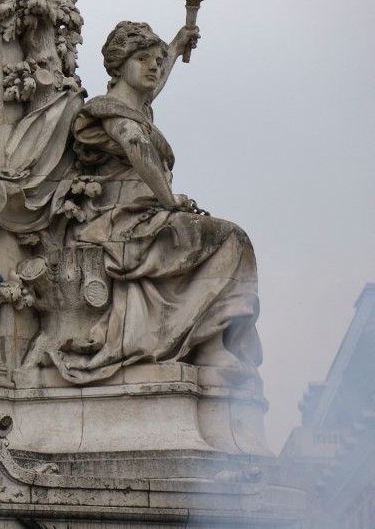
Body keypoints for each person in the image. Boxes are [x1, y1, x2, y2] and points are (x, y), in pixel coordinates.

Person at [50, 20, 261, 383]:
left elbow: (150, 92)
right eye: (143, 59)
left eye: (157, 61)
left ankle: (211, 343)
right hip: (117, 220)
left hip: (145, 215)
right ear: (119, 66)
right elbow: (135, 145)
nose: (154, 67)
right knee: (230, 239)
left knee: (229, 240)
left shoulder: (137, 109)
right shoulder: (109, 111)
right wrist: (169, 200)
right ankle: (209, 345)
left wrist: (176, 48)